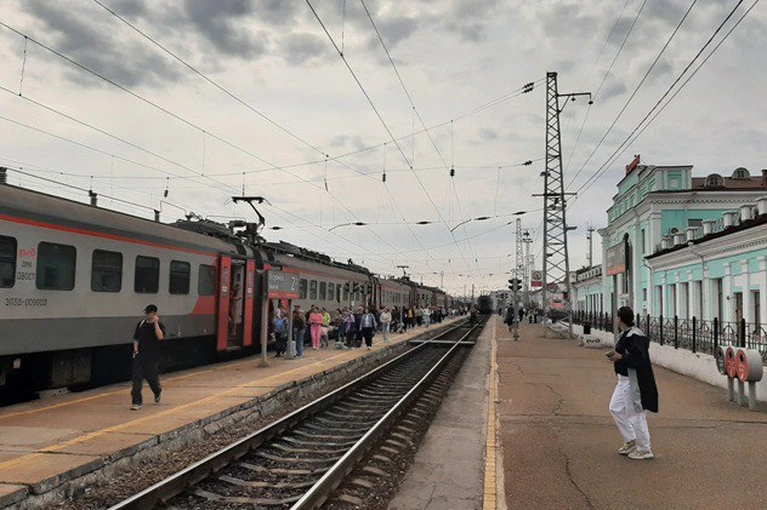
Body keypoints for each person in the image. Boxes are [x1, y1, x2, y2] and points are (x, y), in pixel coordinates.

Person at [607, 306, 658, 460]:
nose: (615, 320)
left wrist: (620, 357)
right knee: (615, 408)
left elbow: (640, 359)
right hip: (623, 380)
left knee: (636, 414)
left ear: (620, 319)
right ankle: (631, 440)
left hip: (633, 382)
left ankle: (644, 449)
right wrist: (617, 357)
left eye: (617, 317)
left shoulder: (635, 336)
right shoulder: (626, 334)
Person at [131, 304, 165, 410]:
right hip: (140, 355)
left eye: (149, 313)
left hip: (152, 357)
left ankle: (157, 391)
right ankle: (136, 402)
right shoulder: (141, 324)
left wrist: (156, 323)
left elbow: (160, 337)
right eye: (146, 312)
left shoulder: (159, 325)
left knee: (152, 378)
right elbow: (136, 338)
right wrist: (135, 351)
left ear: (154, 314)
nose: (147, 315)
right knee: (136, 378)